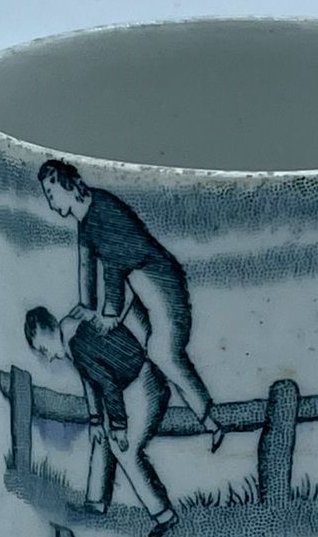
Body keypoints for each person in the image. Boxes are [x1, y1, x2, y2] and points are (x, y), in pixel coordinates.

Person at [37, 159, 224, 452]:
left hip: (160, 281)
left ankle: (210, 419)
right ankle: (151, 402)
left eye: (51, 194)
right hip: (136, 288)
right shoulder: (85, 220)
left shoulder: (102, 211)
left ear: (68, 186)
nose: (50, 203)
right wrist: (87, 306)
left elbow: (115, 267)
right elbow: (86, 266)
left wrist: (109, 314)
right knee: (123, 347)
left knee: (163, 351)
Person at [25, 305, 179, 537]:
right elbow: (91, 382)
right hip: (131, 386)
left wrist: (119, 427)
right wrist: (96, 420)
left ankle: (164, 515)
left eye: (44, 349)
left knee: (126, 452)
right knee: (106, 440)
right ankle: (97, 504)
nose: (48, 357)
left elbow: (108, 384)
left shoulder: (77, 340)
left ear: (51, 330)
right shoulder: (71, 335)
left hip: (144, 384)